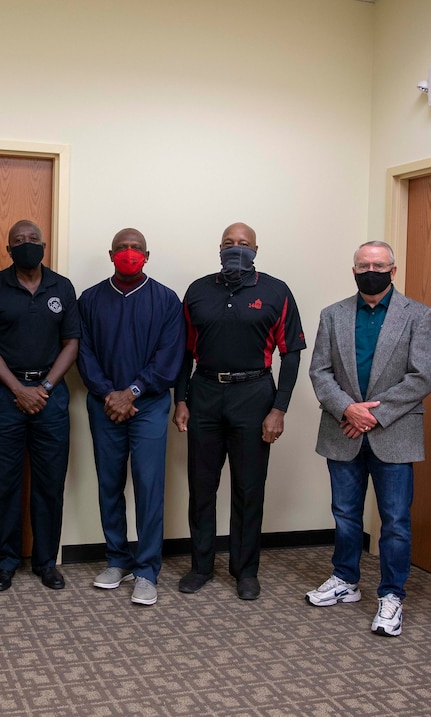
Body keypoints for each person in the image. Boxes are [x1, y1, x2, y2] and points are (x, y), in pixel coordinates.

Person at [305, 241, 431, 637]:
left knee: (394, 521)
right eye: (363, 264)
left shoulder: (418, 315)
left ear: (393, 270)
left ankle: (392, 594)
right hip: (342, 428)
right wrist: (349, 409)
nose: (370, 270)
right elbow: (320, 372)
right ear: (353, 270)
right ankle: (345, 579)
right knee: (345, 514)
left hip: (394, 432)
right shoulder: (333, 314)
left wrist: (370, 416)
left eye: (378, 264)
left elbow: (422, 376)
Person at [173, 222, 306, 600]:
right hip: (205, 393)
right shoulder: (198, 291)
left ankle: (245, 570)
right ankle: (201, 566)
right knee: (201, 486)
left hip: (254, 394)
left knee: (249, 488)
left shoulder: (276, 291)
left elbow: (291, 354)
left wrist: (279, 408)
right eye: (229, 243)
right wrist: (180, 399)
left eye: (243, 244)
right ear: (218, 248)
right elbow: (183, 351)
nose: (236, 248)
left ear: (256, 249)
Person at [77, 228, 185, 606]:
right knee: (109, 484)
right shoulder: (89, 299)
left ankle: (146, 570)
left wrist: (133, 392)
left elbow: (170, 358)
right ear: (111, 255)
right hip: (104, 404)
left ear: (147, 254)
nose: (128, 253)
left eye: (135, 248)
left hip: (149, 406)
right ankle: (117, 560)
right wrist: (110, 394)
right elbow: (84, 354)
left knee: (149, 487)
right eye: (121, 248)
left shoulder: (166, 300)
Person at [0, 220, 79, 591]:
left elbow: (72, 343)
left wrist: (44, 386)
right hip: (5, 395)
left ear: (44, 245)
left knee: (50, 483)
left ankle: (46, 561)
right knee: (3, 482)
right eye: (18, 241)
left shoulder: (61, 287)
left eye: (33, 239)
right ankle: (4, 561)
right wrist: (18, 388)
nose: (26, 244)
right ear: (8, 249)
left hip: (50, 396)